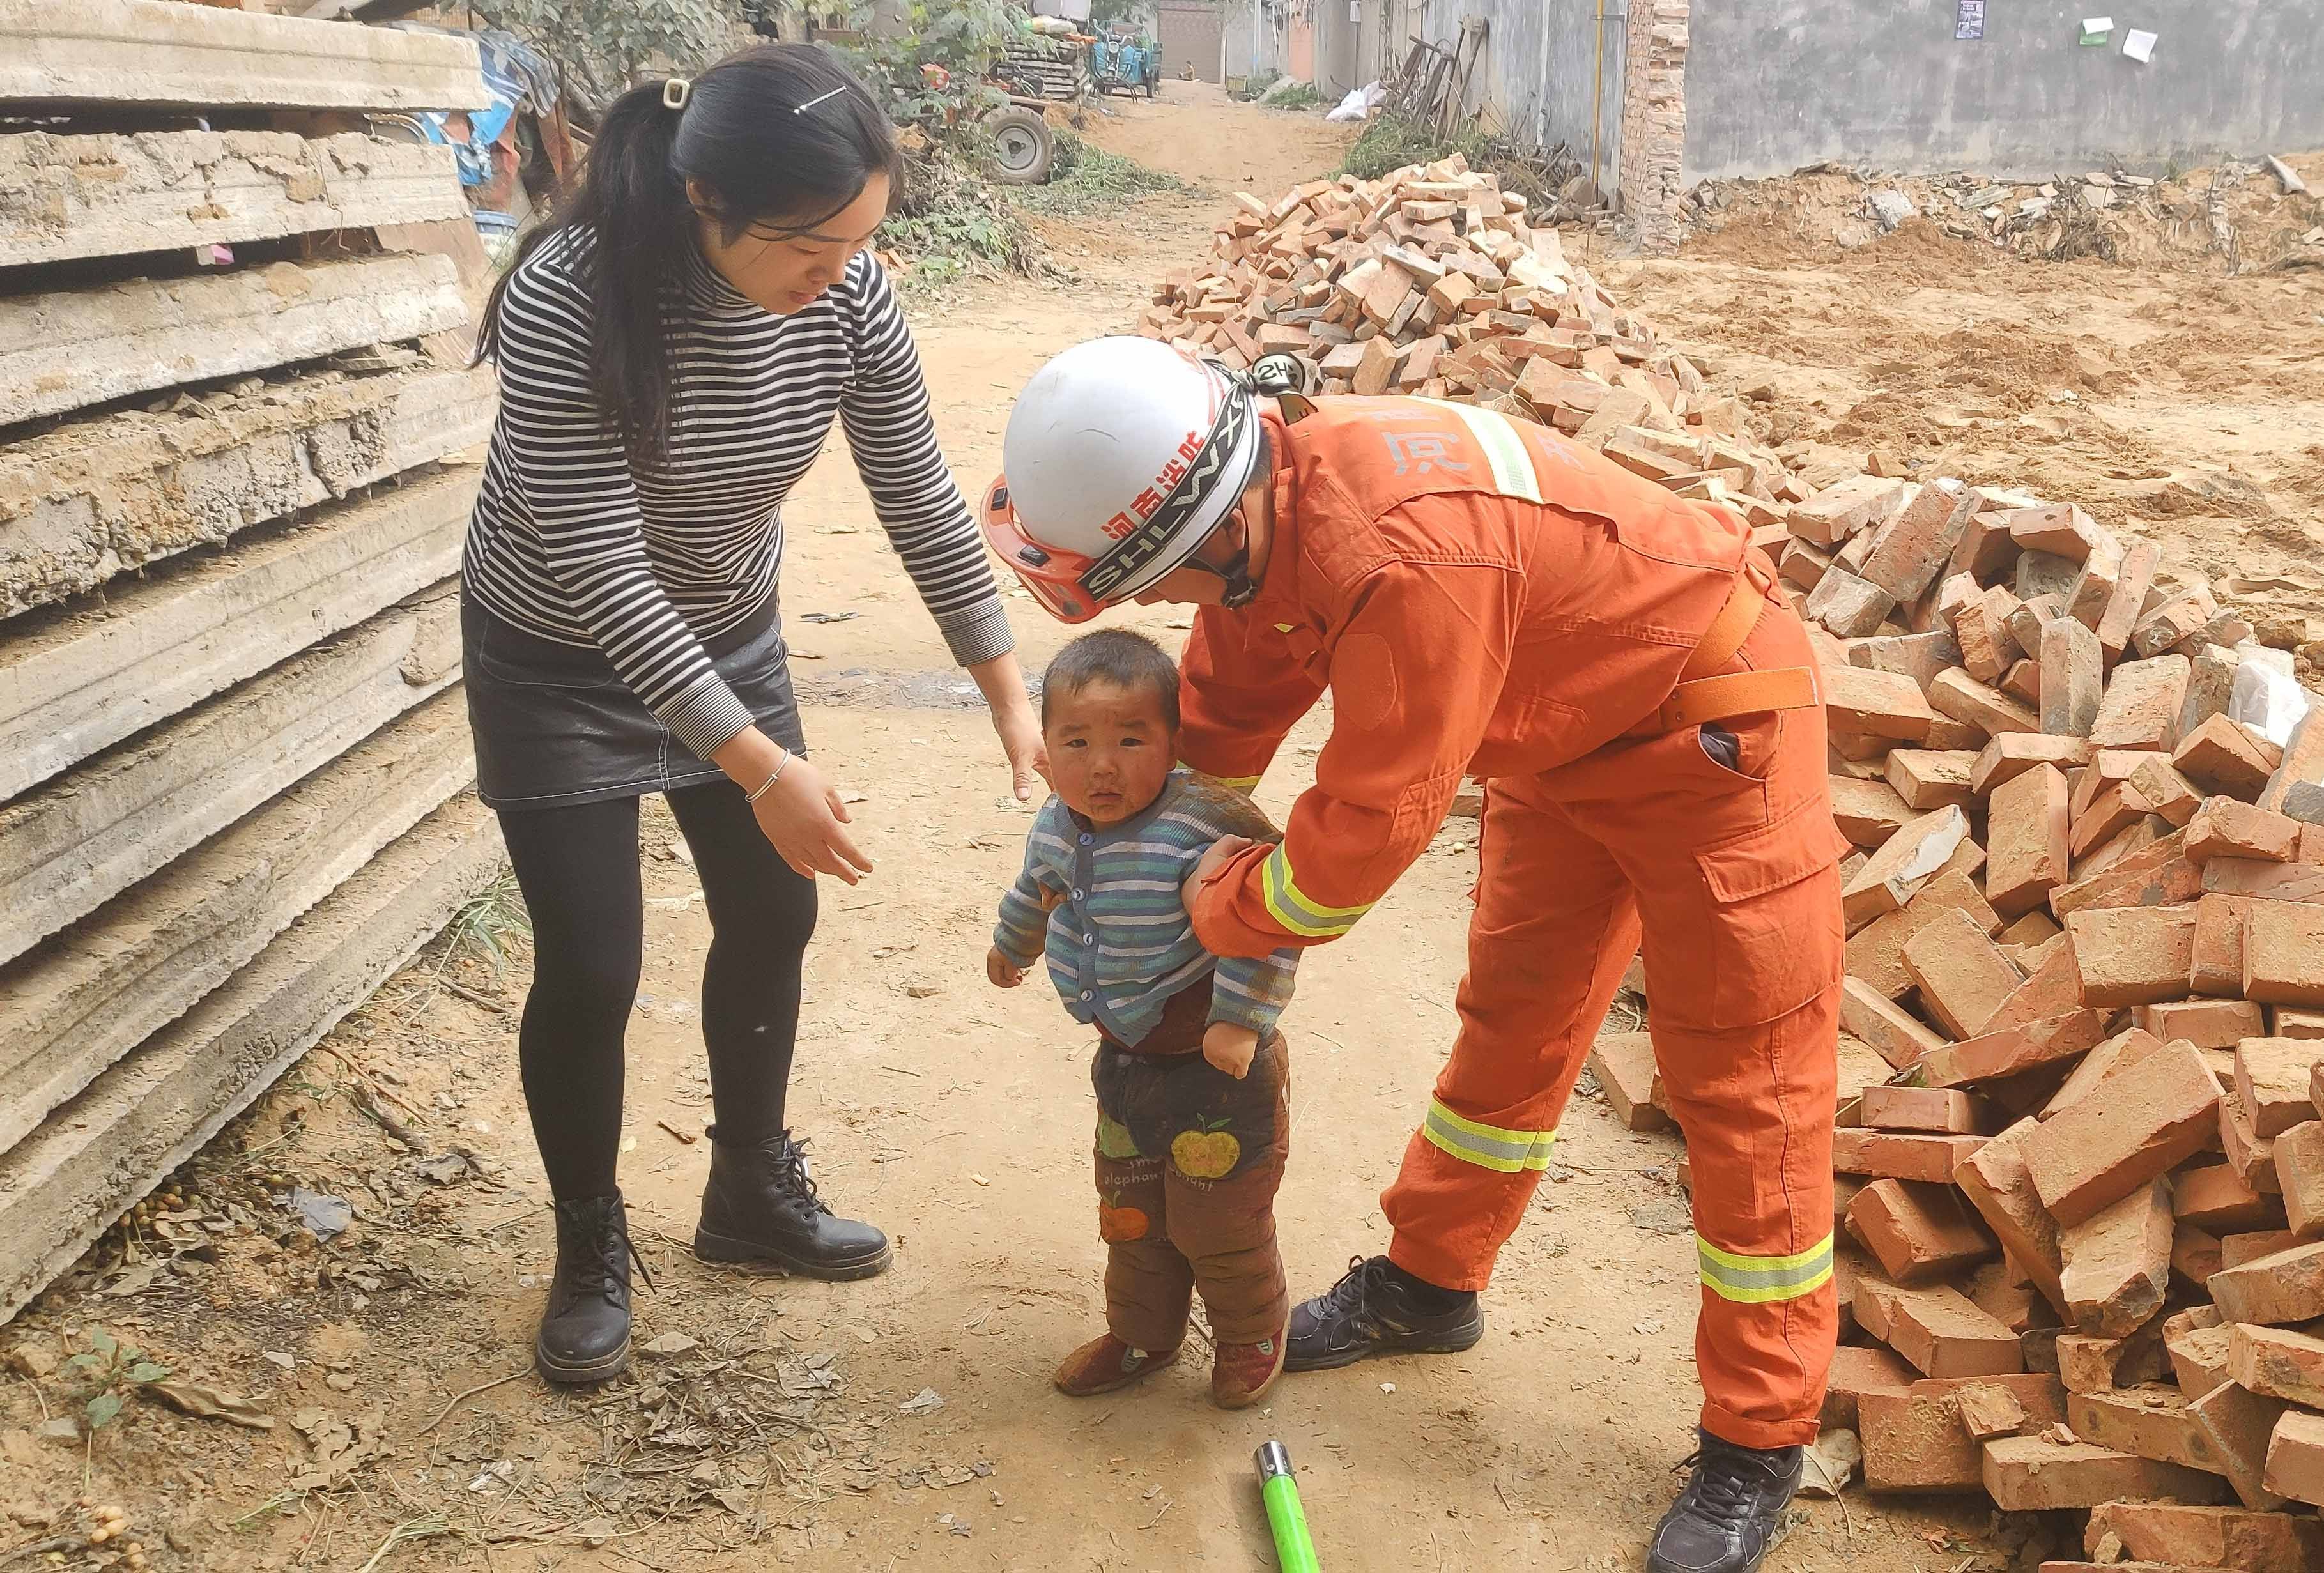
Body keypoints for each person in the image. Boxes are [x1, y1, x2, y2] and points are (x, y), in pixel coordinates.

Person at [981, 337, 1843, 1573]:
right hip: (1557, 734)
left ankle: (1759, 1437)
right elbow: (1221, 728)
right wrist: (1142, 855)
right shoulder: (1264, 512)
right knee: (1515, 1024)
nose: (1159, 616)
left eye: (1155, 589)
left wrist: (1225, 909)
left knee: (1746, 1091)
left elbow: (1366, 826)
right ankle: (1427, 1286)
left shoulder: (1398, 558)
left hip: (1712, 730)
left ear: (1204, 534)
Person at [462, 44, 1044, 1385]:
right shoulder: (572, 296)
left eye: (860, 239)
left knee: (774, 909)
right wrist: (762, 760)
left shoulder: (848, 300)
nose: (837, 270)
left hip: (725, 626)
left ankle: (746, 1193)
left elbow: (918, 491)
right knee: (596, 963)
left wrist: (1004, 684)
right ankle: (588, 1238)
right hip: (555, 652)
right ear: (705, 199)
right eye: (809, 242)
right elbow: (602, 567)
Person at [985, 630, 1300, 1410]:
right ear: (1047, 747)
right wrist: (1011, 940)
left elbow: (1269, 919)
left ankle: (1249, 1332)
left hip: (1215, 1067)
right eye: (1076, 741)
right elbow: (1037, 885)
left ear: (1172, 742)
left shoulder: (1203, 821)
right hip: (1126, 1060)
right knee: (1132, 1212)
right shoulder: (1060, 822)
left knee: (1217, 1215)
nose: (1102, 764)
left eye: (1131, 739)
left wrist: (1237, 1019)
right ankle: (1143, 1334)